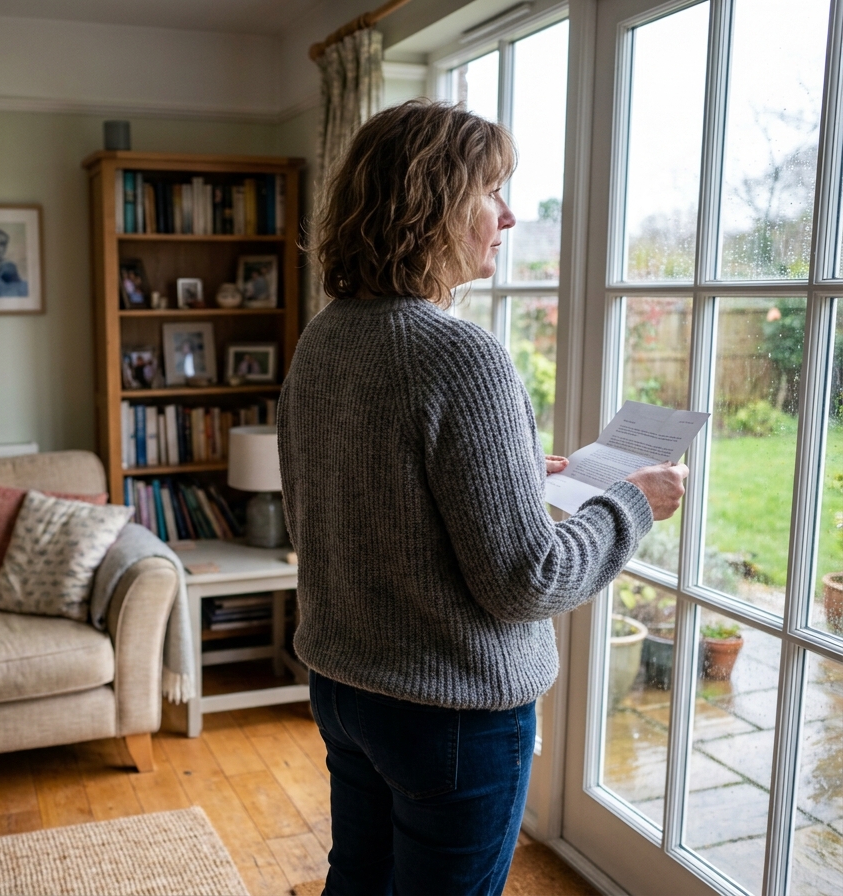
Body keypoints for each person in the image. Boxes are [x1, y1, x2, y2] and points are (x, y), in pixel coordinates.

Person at [277, 100, 687, 896]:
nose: (508, 215)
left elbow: (356, 493)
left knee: (357, 882)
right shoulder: (461, 355)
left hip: (346, 687)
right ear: (428, 205)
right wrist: (632, 503)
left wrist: (514, 472)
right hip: (450, 714)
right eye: (491, 190)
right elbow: (529, 581)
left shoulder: (327, 334)